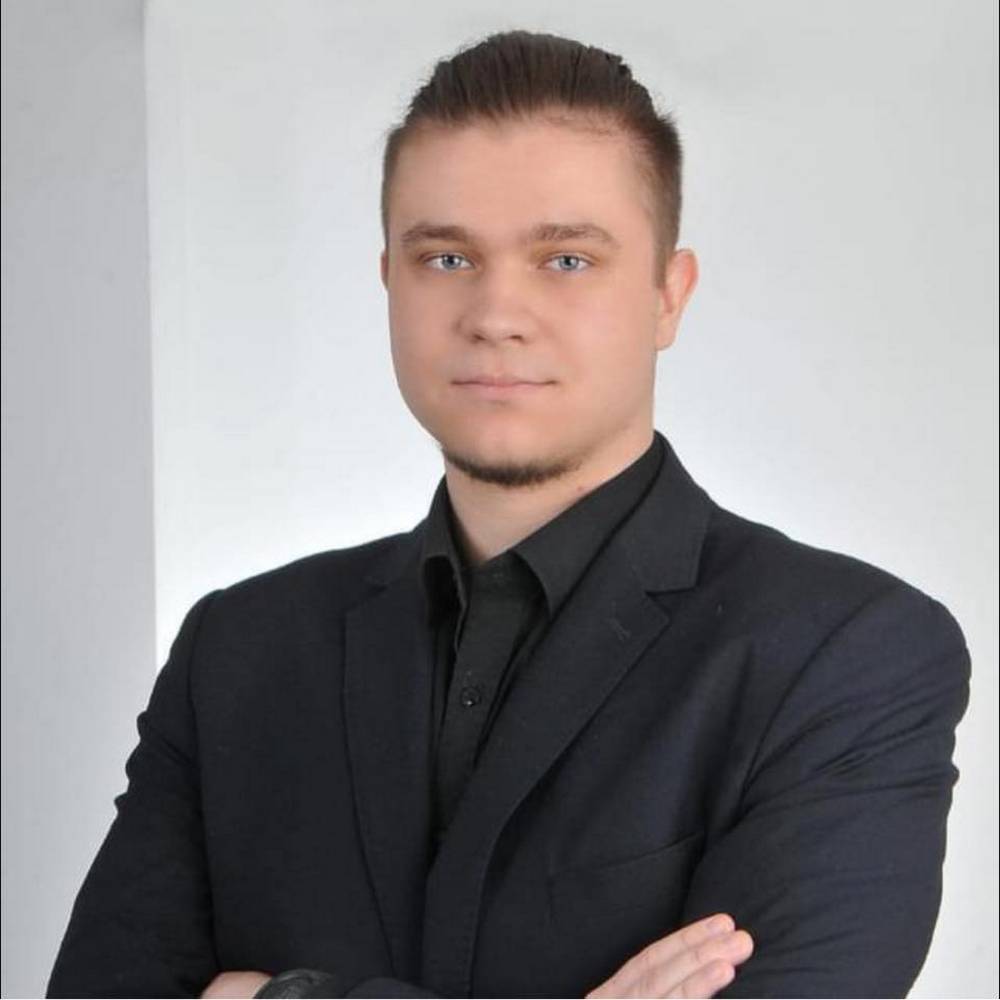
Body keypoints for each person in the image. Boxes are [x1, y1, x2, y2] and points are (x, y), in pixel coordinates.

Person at [46, 29, 970, 1000]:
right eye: (446, 257)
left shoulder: (846, 654)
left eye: (566, 259)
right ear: (389, 281)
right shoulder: (237, 650)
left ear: (668, 295)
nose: (495, 313)